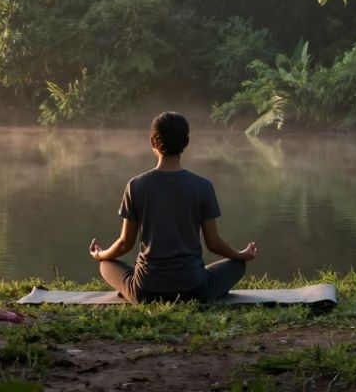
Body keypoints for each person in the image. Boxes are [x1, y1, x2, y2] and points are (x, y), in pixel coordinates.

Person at [88, 111, 258, 303]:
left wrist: (100, 254)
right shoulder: (202, 186)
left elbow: (125, 243)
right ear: (186, 142)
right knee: (237, 266)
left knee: (105, 265)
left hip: (146, 291)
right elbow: (214, 244)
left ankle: (129, 289)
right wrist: (241, 255)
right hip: (194, 290)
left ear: (153, 141)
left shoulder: (136, 185)